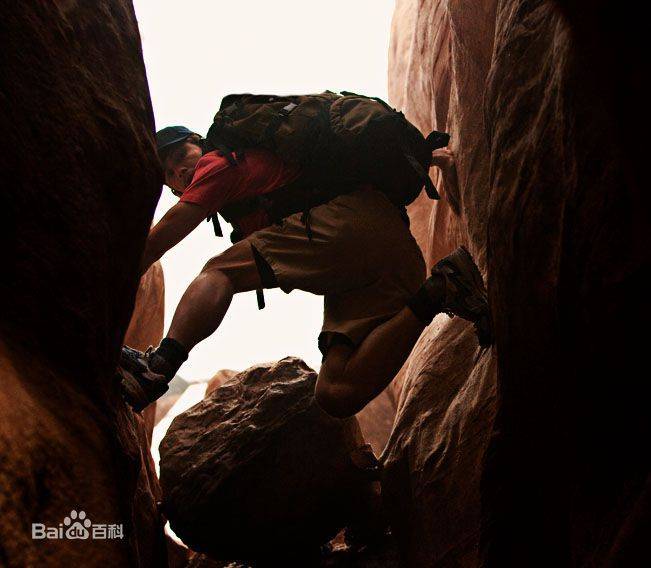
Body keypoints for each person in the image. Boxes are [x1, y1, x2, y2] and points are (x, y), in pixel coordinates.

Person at [118, 125, 491, 417]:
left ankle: (160, 367)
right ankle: (442, 288)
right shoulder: (250, 191)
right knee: (336, 393)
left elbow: (164, 235)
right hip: (379, 254)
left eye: (180, 155)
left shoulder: (222, 163)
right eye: (169, 174)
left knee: (220, 272)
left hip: (352, 221)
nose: (179, 170)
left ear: (200, 143)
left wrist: (109, 276)